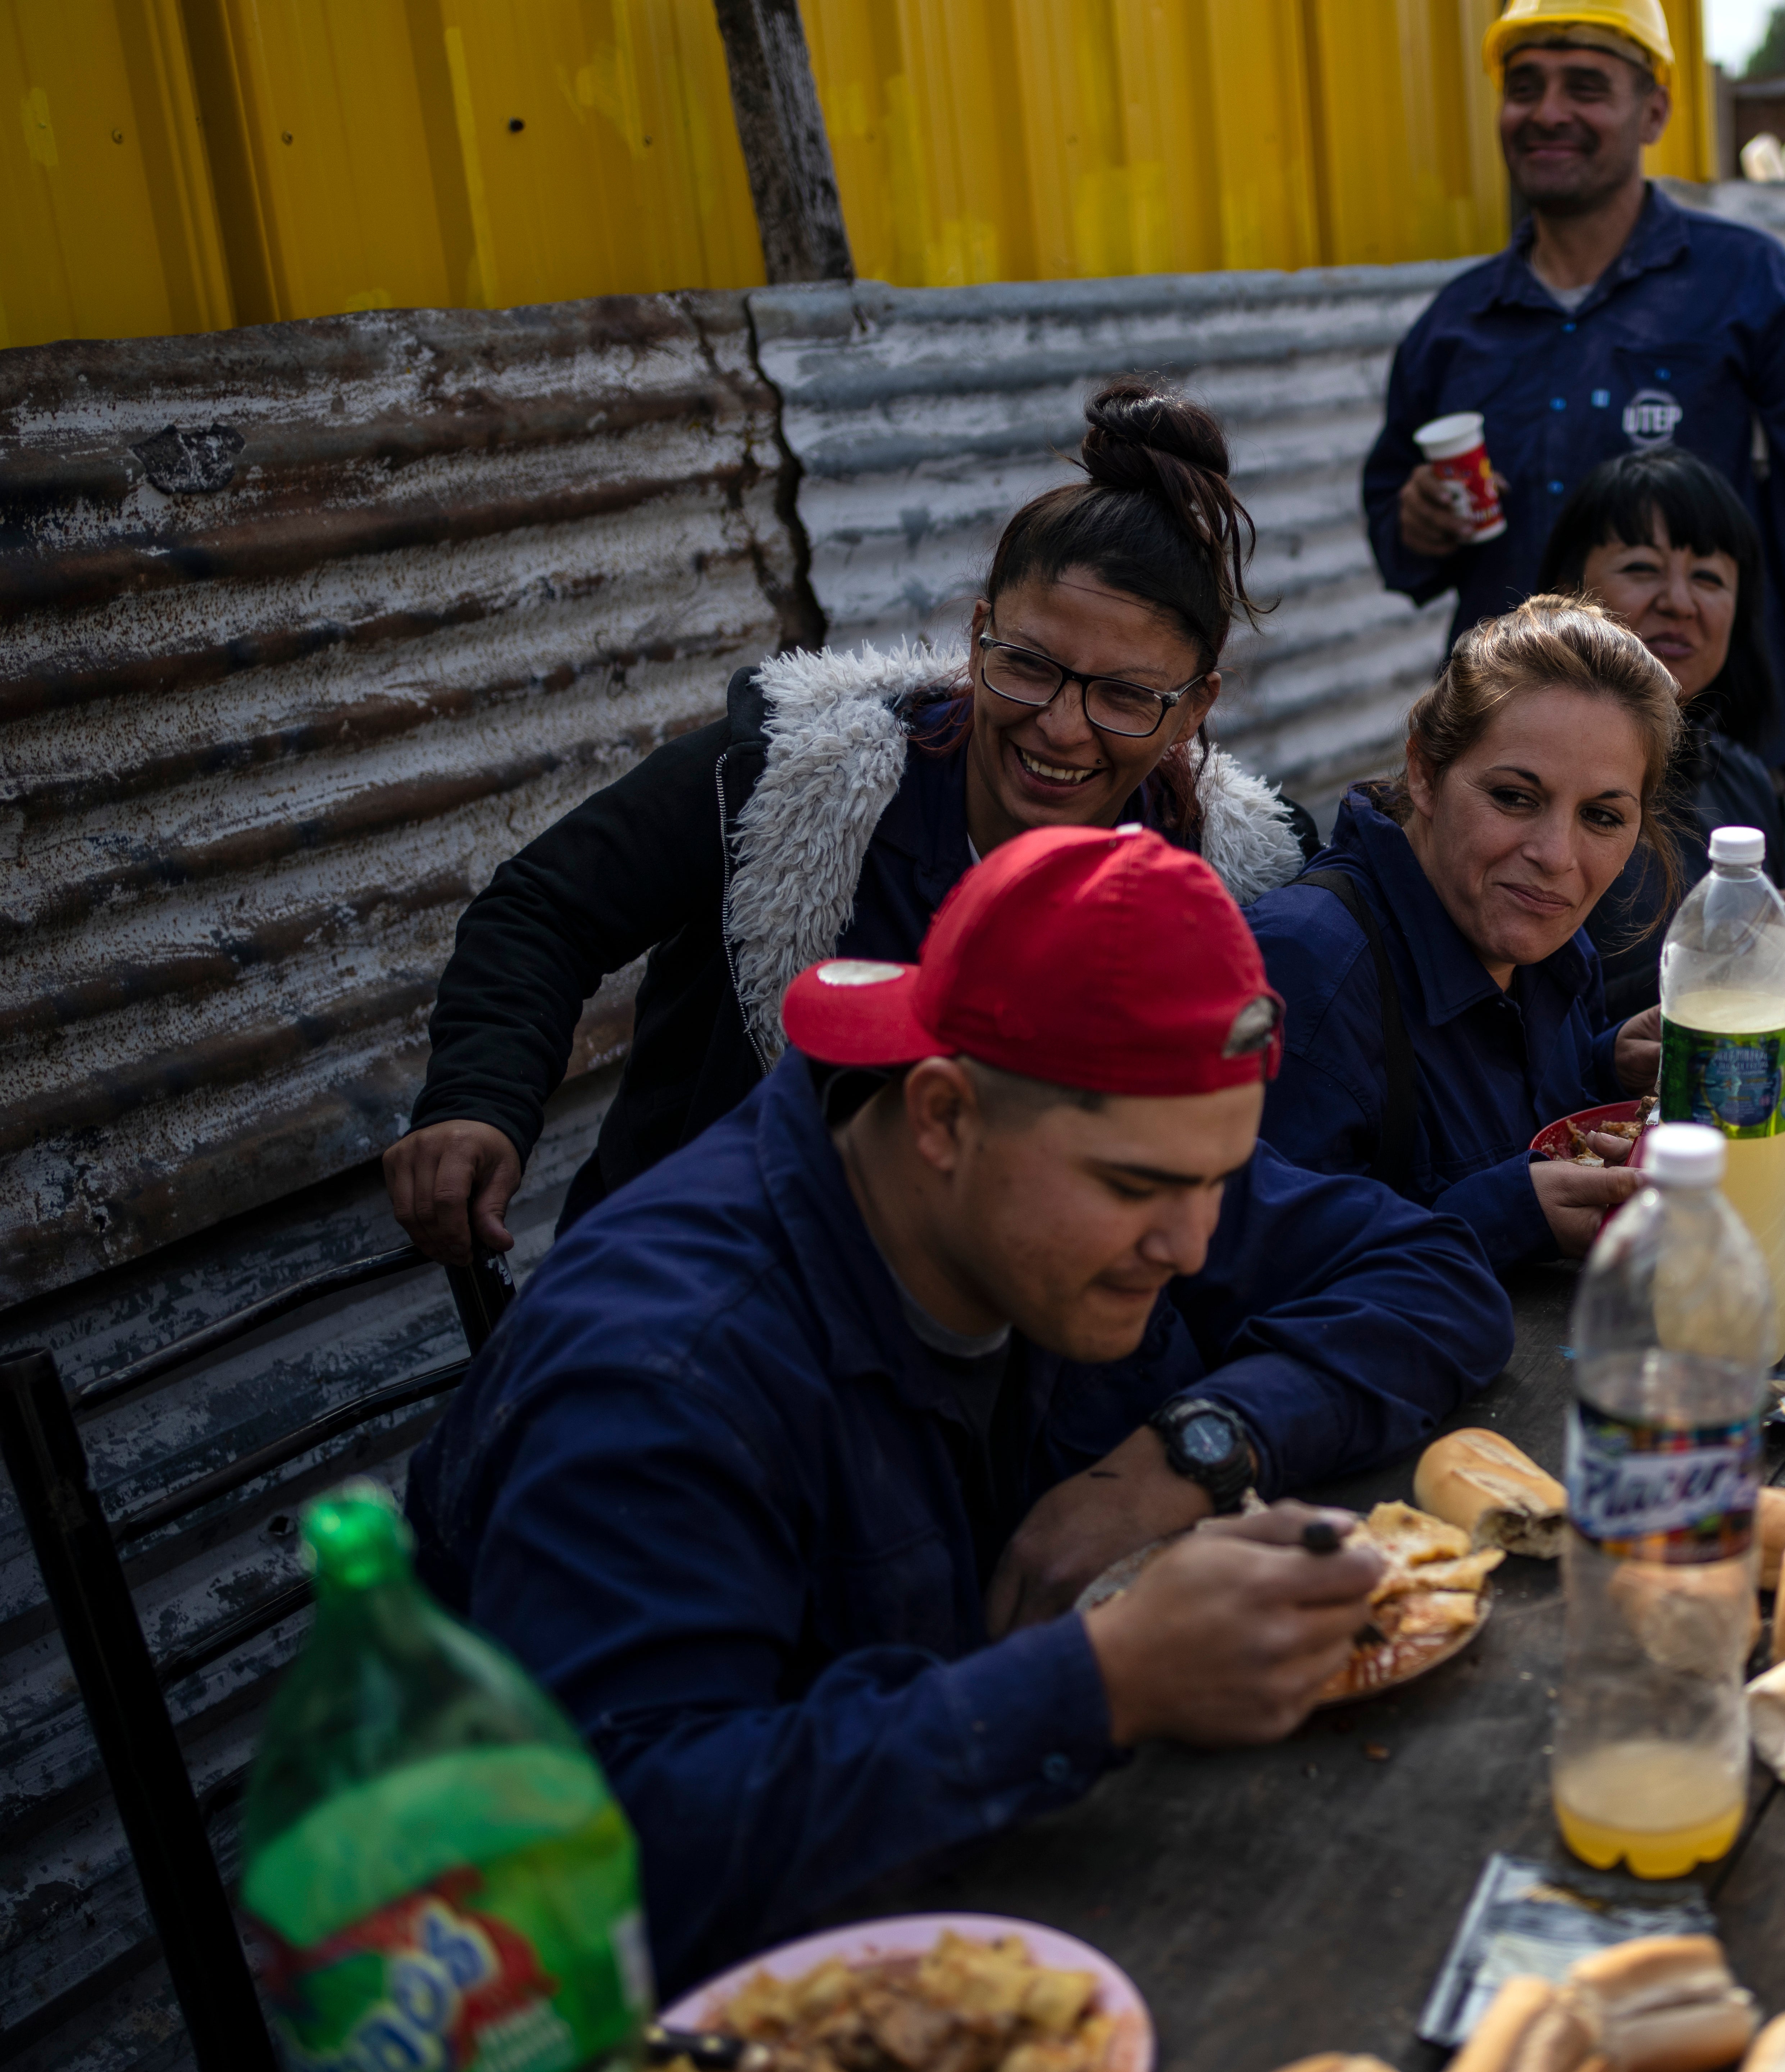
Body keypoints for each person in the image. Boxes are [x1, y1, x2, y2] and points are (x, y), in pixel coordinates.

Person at [406, 825, 1513, 1989]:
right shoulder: (664, 1373)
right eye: (1140, 1190)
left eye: (1218, 1183)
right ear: (940, 1117)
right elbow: (622, 1856)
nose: (1191, 1246)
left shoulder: (1125, 1140)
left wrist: (1194, 1448)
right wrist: (1105, 1681)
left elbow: (1437, 1277)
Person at [386, 378, 1311, 1266]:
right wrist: (477, 1099)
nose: (1061, 727)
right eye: (1028, 665)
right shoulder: (788, 775)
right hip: (706, 1283)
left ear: (1194, 709)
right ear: (978, 634)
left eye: (1124, 695)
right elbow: (548, 905)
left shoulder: (1242, 877)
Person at [1362, 0, 1785, 865]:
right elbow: (1396, 536)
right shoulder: (1456, 322)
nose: (1548, 111)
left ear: (1654, 112)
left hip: (1706, 768)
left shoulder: (1744, 285)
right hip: (1511, 771)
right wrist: (1416, 522)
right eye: (1524, 87)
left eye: (1586, 86)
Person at [1248, 599, 1674, 1269]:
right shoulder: (1304, 970)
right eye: (1513, 797)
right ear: (1424, 771)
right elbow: (1248, 1275)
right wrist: (1497, 1218)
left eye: (1601, 815)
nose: (1556, 855)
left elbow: (1482, 1101)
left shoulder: (1540, 936)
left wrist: (1601, 1063)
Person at [1543, 445, 1785, 1021]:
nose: (1679, 602)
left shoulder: (1745, 780)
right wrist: (1733, 963)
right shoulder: (1539, 783)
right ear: (1566, 590)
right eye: (1642, 569)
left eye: (1709, 578)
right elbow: (1525, 1018)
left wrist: (1784, 945)